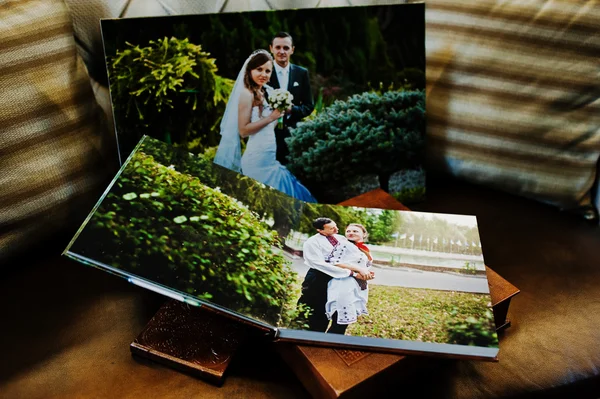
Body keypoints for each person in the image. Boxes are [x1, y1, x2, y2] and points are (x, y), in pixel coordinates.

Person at [213, 49, 316, 202]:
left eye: (268, 71)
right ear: (250, 70)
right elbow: (243, 131)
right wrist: (270, 118)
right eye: (259, 69)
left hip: (269, 157)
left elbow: (267, 126)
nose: (264, 74)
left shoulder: (265, 93)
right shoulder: (246, 94)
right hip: (256, 160)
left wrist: (277, 116)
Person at [298, 218, 373, 332]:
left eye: (336, 226)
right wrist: (353, 273)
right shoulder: (312, 242)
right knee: (314, 310)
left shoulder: (340, 238)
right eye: (332, 228)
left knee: (328, 309)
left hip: (337, 277)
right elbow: (323, 264)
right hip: (318, 276)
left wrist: (363, 272)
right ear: (320, 230)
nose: (337, 229)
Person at [268, 32, 314, 165]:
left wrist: (291, 110)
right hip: (269, 135)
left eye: (286, 48)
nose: (282, 51)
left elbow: (309, 106)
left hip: (294, 135)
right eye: (278, 47)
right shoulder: (264, 73)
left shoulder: (301, 73)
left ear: (292, 50)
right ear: (271, 48)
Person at [325, 223, 374, 335]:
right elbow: (334, 262)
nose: (351, 233)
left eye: (355, 231)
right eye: (348, 231)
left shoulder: (363, 249)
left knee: (343, 325)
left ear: (364, 234)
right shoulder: (344, 245)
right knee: (339, 322)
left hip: (355, 285)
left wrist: (367, 274)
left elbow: (362, 267)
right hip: (343, 283)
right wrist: (359, 270)